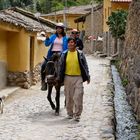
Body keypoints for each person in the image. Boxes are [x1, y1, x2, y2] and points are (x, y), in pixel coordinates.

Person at [59, 37, 90, 122]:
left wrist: (87, 76)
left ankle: (77, 115)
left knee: (78, 96)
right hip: (67, 77)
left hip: (78, 77)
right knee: (69, 97)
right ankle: (70, 113)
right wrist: (59, 78)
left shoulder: (80, 54)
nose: (70, 44)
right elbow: (61, 66)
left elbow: (85, 65)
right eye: (69, 42)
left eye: (72, 42)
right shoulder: (64, 54)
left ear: (75, 44)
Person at [41, 22, 68, 90]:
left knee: (68, 65)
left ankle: (66, 81)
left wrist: (64, 53)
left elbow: (67, 47)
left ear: (62, 29)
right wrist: (47, 38)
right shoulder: (53, 36)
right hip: (52, 54)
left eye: (60, 28)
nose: (58, 30)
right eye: (57, 28)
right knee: (44, 65)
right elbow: (47, 44)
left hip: (61, 54)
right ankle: (43, 82)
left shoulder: (66, 38)